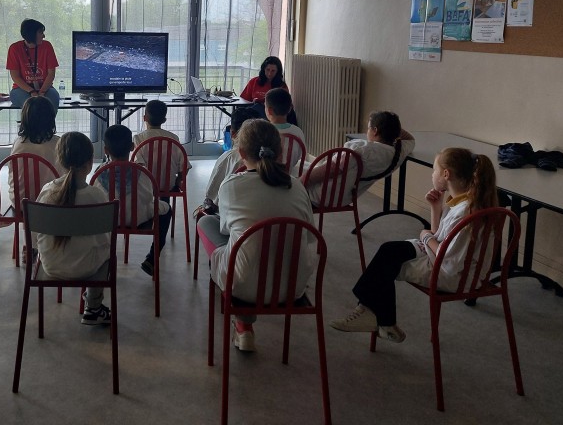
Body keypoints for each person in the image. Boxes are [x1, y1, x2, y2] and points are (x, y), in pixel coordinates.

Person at [329, 148, 498, 343]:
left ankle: (378, 318)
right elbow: (441, 236)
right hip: (450, 264)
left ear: (446, 174)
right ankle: (375, 316)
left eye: (434, 170)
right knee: (388, 250)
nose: (432, 175)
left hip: (456, 277)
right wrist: (435, 208)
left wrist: (426, 237)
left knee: (386, 265)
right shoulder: (465, 202)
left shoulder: (464, 213)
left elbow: (447, 259)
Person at [197, 119, 315, 352]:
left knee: (207, 222)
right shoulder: (297, 187)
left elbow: (226, 231)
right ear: (280, 152)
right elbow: (309, 236)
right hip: (293, 286)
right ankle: (243, 326)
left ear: (240, 153)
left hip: (243, 287)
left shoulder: (231, 185)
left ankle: (243, 325)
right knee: (252, 241)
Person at [35, 132, 113, 325]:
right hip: (88, 268)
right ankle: (93, 306)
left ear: (60, 161)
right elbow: (104, 240)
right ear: (90, 163)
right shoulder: (96, 196)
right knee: (108, 250)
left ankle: (93, 307)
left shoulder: (47, 191)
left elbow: (36, 236)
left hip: (50, 265)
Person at [97, 124, 171, 276]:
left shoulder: (100, 173)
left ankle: (103, 259)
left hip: (108, 221)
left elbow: (96, 199)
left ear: (105, 150)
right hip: (138, 218)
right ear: (132, 147)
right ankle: (152, 258)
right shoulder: (142, 172)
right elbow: (148, 197)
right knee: (167, 209)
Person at [304, 110, 415, 205]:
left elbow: (332, 169)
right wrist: (391, 126)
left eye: (368, 128)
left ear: (375, 131)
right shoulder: (398, 153)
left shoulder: (361, 150)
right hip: (344, 198)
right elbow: (410, 139)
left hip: (319, 194)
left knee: (298, 174)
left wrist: (301, 182)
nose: (367, 132)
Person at [193, 106, 260, 221]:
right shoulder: (271, 159)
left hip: (234, 221)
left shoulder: (229, 158)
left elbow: (212, 196)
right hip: (269, 224)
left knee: (203, 218)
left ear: (232, 133)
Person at [132, 99, 191, 192]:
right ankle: (165, 201)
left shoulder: (138, 138)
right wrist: (178, 180)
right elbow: (185, 166)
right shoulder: (173, 138)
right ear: (164, 120)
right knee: (167, 188)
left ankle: (151, 201)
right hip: (169, 186)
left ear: (144, 118)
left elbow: (138, 165)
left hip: (146, 187)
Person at [6, 18, 60, 112]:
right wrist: (32, 91)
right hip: (21, 89)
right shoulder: (14, 48)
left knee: (52, 101)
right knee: (32, 106)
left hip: (45, 88)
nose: (44, 36)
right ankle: (30, 122)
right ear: (31, 34)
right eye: (41, 33)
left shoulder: (47, 46)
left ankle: (49, 122)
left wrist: (42, 92)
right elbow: (15, 77)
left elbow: (51, 73)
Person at [239, 56, 297, 124]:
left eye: (273, 71)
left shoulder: (281, 86)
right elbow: (244, 101)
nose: (269, 73)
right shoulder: (254, 82)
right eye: (268, 70)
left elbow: (286, 106)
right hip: (255, 116)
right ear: (263, 69)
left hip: (274, 115)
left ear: (277, 72)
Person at [264, 88, 306, 174]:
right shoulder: (298, 131)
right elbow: (300, 155)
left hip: (265, 175)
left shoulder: (263, 130)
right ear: (290, 109)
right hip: (288, 175)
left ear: (269, 110)